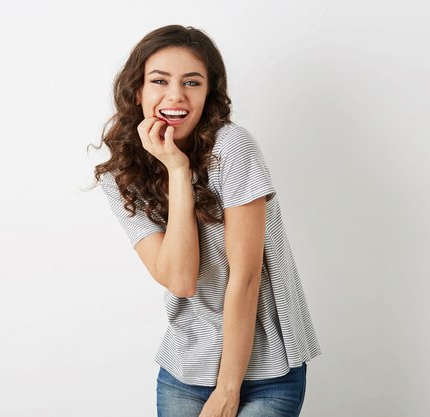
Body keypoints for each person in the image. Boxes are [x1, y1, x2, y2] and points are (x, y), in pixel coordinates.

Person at [92, 24, 321, 417]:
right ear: (138, 92)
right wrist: (177, 172)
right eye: (159, 81)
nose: (175, 95)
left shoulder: (233, 148)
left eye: (192, 83)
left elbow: (245, 277)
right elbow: (181, 279)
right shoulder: (122, 175)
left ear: (209, 93)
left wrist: (228, 388)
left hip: (269, 365)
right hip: (186, 365)